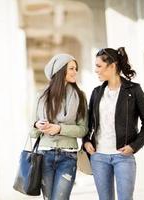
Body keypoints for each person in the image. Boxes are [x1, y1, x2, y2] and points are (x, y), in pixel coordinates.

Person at [82, 47, 144, 200]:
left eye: (99, 66)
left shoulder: (134, 90)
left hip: (123, 156)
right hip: (99, 156)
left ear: (113, 66)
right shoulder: (96, 92)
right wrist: (86, 141)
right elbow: (88, 123)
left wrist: (134, 146)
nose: (96, 70)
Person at [30, 53, 88, 200]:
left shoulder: (80, 96)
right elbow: (32, 132)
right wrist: (38, 125)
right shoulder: (41, 96)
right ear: (61, 70)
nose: (75, 72)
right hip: (44, 155)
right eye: (72, 68)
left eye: (76, 68)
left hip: (67, 156)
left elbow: (83, 129)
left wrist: (59, 129)